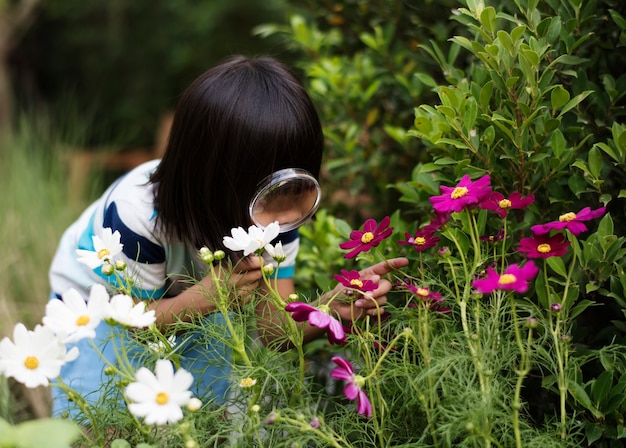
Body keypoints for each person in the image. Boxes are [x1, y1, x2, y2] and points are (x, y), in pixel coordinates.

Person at [48, 54, 408, 418]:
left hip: (203, 293)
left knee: (208, 406)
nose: (284, 217)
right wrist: (209, 296)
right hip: (101, 305)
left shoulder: (280, 221)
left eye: (297, 191)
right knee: (100, 410)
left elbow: (273, 329)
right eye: (271, 195)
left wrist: (331, 309)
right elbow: (138, 326)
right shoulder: (134, 216)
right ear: (209, 181)